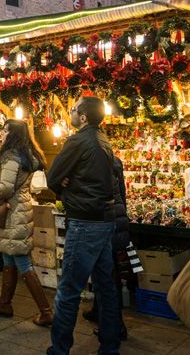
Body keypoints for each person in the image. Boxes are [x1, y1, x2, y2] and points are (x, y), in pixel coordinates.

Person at [46, 96, 120, 354]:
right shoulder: (103, 140)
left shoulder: (78, 140)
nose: (71, 112)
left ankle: (59, 349)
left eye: (74, 109)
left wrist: (66, 183)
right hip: (104, 220)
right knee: (106, 288)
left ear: (84, 116)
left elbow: (53, 177)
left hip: (85, 222)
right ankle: (110, 348)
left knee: (68, 290)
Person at [0, 119, 53, 327]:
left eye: (5, 131)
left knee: (22, 260)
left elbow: (4, 187)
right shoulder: (25, 155)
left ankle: (46, 312)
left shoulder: (11, 157)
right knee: (8, 257)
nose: (2, 134)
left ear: (12, 134)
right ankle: (4, 304)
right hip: (19, 209)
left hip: (13, 212)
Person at [82, 155, 129, 341]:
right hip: (117, 218)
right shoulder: (114, 160)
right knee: (106, 271)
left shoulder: (94, 162)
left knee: (107, 276)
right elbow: (122, 193)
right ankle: (98, 311)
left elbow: (96, 198)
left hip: (105, 222)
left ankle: (116, 326)